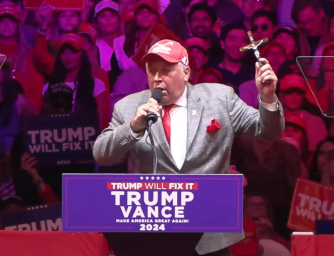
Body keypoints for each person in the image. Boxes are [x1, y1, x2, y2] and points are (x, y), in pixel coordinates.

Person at [93, 39, 284, 256]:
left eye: (167, 71)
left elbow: (269, 131)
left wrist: (268, 98)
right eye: (152, 71)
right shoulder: (128, 107)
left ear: (185, 72)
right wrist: (132, 128)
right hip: (153, 234)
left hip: (210, 233)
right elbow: (102, 155)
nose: (157, 78)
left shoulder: (220, 98)